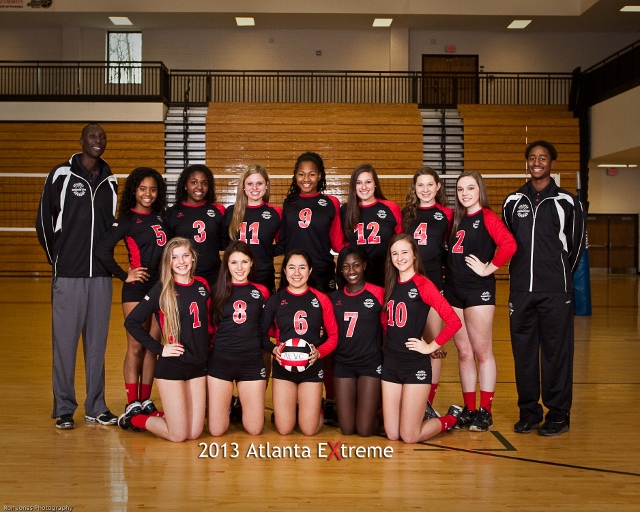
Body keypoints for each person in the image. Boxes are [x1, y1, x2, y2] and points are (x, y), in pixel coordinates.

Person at [36, 123, 118, 430]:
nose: (98, 141)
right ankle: (65, 407)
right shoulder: (61, 175)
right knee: (65, 345)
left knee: (97, 346)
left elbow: (110, 230)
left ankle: (96, 406)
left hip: (100, 277)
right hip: (68, 275)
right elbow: (43, 222)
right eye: (93, 136)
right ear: (81, 140)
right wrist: (57, 261)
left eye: (102, 137)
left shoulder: (110, 181)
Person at [503, 140, 585, 436]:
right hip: (521, 292)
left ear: (551, 162)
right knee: (523, 353)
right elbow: (508, 244)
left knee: (556, 353)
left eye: (543, 158)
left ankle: (558, 414)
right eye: (532, 157)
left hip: (555, 291)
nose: (537, 162)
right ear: (526, 162)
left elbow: (575, 250)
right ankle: (529, 411)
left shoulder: (567, 202)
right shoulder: (513, 201)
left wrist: (558, 277)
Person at [444, 170, 517, 432]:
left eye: (470, 188)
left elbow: (509, 244)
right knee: (464, 353)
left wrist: (489, 268)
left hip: (479, 292)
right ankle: (470, 409)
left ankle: (486, 410)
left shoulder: (487, 217)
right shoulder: (455, 220)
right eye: (461, 189)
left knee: (482, 352)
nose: (465, 193)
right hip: (454, 291)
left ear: (480, 190)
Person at [119, 237, 211, 442]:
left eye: (186, 255)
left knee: (194, 433)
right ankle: (134, 419)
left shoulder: (203, 286)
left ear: (193, 258)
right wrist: (159, 349)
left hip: (198, 366)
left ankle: (165, 416)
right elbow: (132, 321)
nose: (181, 261)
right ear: (168, 262)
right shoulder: (162, 290)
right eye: (175, 257)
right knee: (178, 435)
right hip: (173, 367)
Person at [96, 167, 169, 417]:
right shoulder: (127, 219)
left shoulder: (161, 217)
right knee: (136, 346)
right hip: (136, 289)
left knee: (152, 345)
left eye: (152, 189)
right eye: (142, 189)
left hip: (160, 289)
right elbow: (103, 249)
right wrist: (123, 274)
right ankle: (132, 402)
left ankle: (146, 400)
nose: (147, 194)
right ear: (134, 191)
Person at [382, 233, 462, 444]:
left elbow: (454, 321)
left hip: (414, 364)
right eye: (395, 254)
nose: (400, 258)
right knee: (391, 434)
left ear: (415, 255)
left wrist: (430, 346)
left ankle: (450, 419)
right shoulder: (390, 284)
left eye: (405, 252)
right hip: (390, 364)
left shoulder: (423, 284)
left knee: (409, 437)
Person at [260, 250, 338, 436]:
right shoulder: (275, 301)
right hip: (283, 368)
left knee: (309, 430)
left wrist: (319, 352)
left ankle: (314, 408)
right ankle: (292, 410)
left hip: (311, 368)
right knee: (284, 429)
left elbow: (334, 335)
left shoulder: (321, 299)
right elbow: (261, 334)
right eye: (292, 267)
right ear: (285, 271)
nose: (297, 273)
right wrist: (274, 349)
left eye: (302, 267)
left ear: (310, 270)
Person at [402, 167, 453, 418]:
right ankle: (406, 395)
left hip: (433, 286)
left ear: (438, 186)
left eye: (429, 185)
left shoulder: (447, 214)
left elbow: (454, 248)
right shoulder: (406, 215)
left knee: (434, 346)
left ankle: (428, 404)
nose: (424, 189)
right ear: (414, 188)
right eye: (420, 185)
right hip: (407, 287)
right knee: (406, 343)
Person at [207, 241, 270, 437]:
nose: (239, 268)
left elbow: (271, 326)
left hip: (251, 362)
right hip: (221, 362)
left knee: (254, 429)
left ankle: (240, 404)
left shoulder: (262, 291)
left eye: (244, 262)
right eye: (234, 263)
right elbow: (209, 327)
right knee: (217, 431)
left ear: (251, 263)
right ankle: (228, 406)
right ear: (226, 265)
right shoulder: (217, 290)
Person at [331, 246, 384, 436]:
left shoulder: (379, 294)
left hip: (370, 364)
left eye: (355, 266)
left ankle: (385, 414)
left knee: (364, 430)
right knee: (346, 429)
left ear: (364, 266)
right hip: (344, 364)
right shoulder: (334, 298)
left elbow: (391, 327)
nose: (351, 271)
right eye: (345, 267)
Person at [276, 152, 347, 293]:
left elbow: (337, 241)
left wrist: (361, 249)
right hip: (294, 272)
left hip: (321, 271)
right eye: (301, 174)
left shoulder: (331, 202)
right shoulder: (289, 203)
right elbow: (282, 240)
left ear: (320, 176)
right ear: (295, 176)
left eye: (312, 174)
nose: (306, 179)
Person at [222, 164, 282, 293]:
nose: (254, 188)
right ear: (243, 186)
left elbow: (283, 243)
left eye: (259, 183)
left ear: (266, 185)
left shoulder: (276, 213)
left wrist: (265, 250)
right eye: (250, 184)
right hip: (236, 275)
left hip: (263, 274)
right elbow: (223, 241)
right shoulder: (231, 212)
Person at [165, 164, 225, 291]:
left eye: (204, 183)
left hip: (214, 275)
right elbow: (167, 248)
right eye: (194, 182)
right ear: (185, 185)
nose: (199, 187)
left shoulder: (218, 211)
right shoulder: (172, 213)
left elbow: (222, 242)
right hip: (184, 273)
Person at [341, 164, 402, 287]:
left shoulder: (391, 207)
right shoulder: (346, 210)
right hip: (357, 276)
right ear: (354, 186)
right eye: (358, 182)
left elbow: (400, 241)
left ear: (375, 183)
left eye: (368, 182)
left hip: (386, 273)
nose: (363, 187)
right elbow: (340, 244)